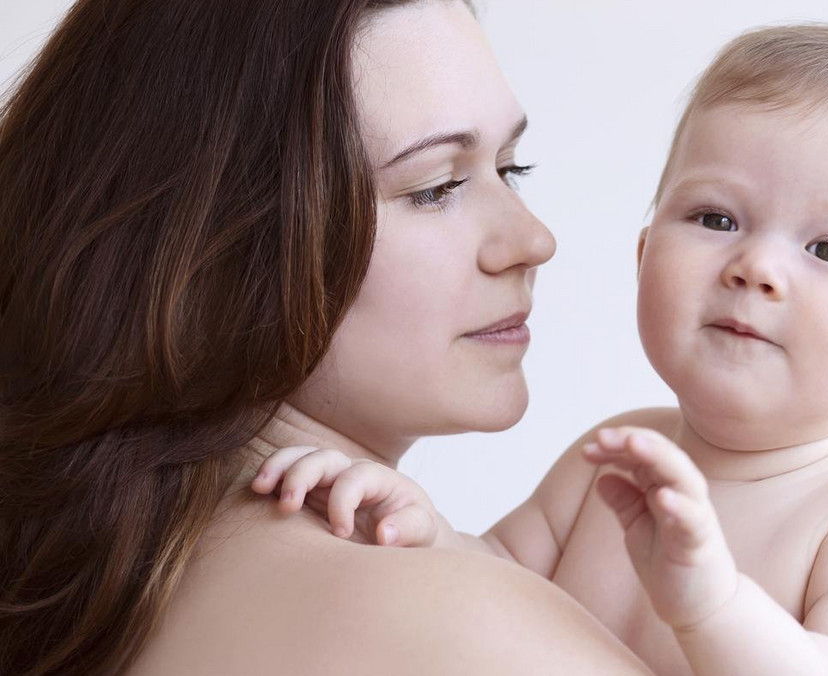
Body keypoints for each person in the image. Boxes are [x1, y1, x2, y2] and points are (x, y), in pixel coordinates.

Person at [256, 23, 828, 676]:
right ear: (642, 255)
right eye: (716, 217)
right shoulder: (611, 458)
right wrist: (422, 527)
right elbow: (500, 578)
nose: (756, 267)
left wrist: (713, 607)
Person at [0, 1, 654, 674]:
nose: (533, 241)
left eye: (511, 168)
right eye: (438, 186)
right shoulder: (456, 624)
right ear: (217, 241)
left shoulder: (106, 589)